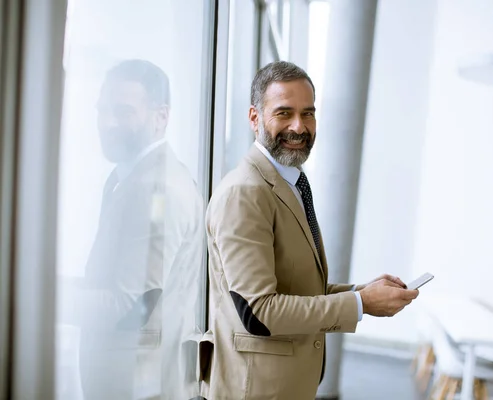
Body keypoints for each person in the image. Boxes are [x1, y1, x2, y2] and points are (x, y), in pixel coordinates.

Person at [200, 61, 420, 400]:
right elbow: (259, 312)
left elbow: (298, 287)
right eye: (284, 113)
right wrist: (360, 303)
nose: (299, 127)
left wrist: (364, 290)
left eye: (309, 114)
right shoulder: (245, 193)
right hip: (256, 389)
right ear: (254, 118)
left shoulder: (291, 183)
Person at [60, 59, 204, 400]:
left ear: (161, 117)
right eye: (103, 110)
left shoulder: (158, 189)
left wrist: (35, 301)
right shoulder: (135, 178)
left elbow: (133, 304)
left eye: (123, 111)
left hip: (140, 387)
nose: (107, 122)